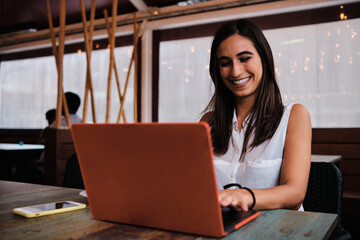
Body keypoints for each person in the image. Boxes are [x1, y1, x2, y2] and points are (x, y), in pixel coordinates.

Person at [200, 19, 311, 212]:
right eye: (225, 63)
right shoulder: (207, 123)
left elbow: (295, 194)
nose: (235, 71)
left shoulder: (294, 116)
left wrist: (243, 195)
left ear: (264, 60)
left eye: (244, 58)